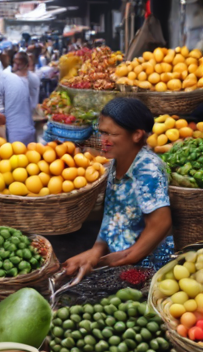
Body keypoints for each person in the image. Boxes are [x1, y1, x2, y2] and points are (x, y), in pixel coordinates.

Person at [64, 98, 174, 278]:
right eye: (102, 133)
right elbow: (113, 216)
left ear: (137, 135)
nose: (103, 141)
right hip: (119, 265)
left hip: (148, 268)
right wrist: (96, 251)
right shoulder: (116, 163)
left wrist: (128, 256)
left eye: (111, 134)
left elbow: (161, 223)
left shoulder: (148, 169)